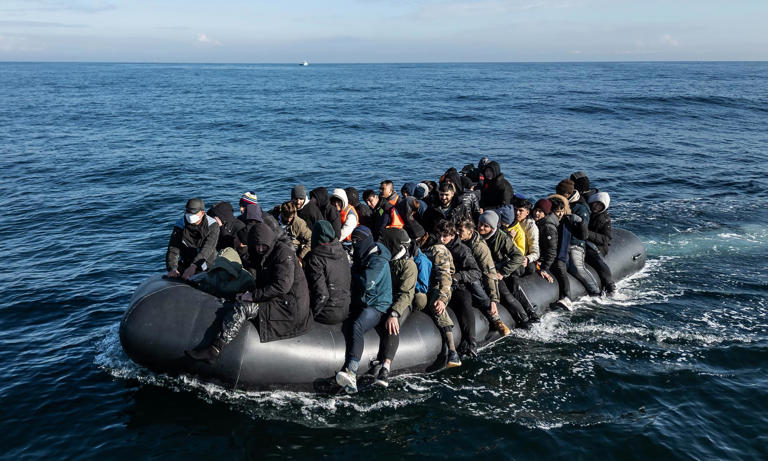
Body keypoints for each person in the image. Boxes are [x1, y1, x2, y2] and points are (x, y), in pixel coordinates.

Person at [185, 221, 313, 364]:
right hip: (280, 299)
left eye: (263, 245)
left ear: (269, 241)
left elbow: (282, 286)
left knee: (244, 307)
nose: (259, 249)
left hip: (289, 307)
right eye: (256, 245)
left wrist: (252, 296)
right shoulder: (264, 255)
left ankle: (215, 349)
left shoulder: (283, 254)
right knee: (241, 298)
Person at [335, 226, 393, 394]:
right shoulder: (364, 255)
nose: (354, 244)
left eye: (357, 242)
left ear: (366, 241)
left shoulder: (379, 261)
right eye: (353, 241)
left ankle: (352, 370)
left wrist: (352, 274)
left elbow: (367, 282)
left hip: (377, 305)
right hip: (362, 300)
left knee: (357, 326)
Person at [477, 211, 537, 325]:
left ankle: (527, 318)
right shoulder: (476, 236)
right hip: (489, 271)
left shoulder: (502, 238)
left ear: (492, 227)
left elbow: (518, 257)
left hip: (503, 269)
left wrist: (502, 272)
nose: (481, 227)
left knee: (510, 294)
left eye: (486, 226)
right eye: (480, 223)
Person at [375, 228, 418, 387]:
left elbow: (406, 294)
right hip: (385, 299)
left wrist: (394, 313)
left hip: (401, 303)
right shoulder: (386, 260)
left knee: (392, 326)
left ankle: (386, 366)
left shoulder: (409, 266)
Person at [437, 220, 485, 358]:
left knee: (465, 303)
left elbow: (476, 272)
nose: (441, 239)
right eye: (439, 235)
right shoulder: (436, 246)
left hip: (458, 286)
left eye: (445, 236)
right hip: (439, 284)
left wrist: (458, 276)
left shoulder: (462, 250)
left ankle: (471, 342)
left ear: (452, 235)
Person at [458, 219, 511, 336]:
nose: (458, 233)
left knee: (475, 285)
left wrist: (493, 299)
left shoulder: (479, 248)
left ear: (470, 232)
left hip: (477, 276)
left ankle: (496, 319)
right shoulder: (457, 241)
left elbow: (489, 272)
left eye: (461, 231)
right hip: (460, 274)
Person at [556, 179, 600, 296]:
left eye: (561, 194)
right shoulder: (559, 203)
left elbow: (583, 234)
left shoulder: (581, 208)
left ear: (568, 194)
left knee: (577, 268)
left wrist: (577, 221)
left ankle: (595, 291)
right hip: (560, 242)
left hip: (575, 243)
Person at [303, 220, 351, 325]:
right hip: (345, 310)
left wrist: (310, 315)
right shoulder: (342, 253)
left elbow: (322, 295)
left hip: (327, 313)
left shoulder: (315, 258)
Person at [548, 197, 590, 310]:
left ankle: (567, 297)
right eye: (557, 211)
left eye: (562, 211)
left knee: (560, 268)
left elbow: (583, 236)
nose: (560, 214)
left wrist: (581, 222)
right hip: (548, 256)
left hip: (561, 256)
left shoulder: (567, 221)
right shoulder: (547, 222)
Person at [166, 198, 220, 280]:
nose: (190, 215)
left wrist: (194, 266)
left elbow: (208, 248)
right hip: (186, 263)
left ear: (202, 213)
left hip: (207, 264)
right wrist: (172, 268)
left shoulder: (212, 225)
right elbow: (173, 248)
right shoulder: (180, 225)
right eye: (188, 212)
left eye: (194, 213)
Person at [586, 192, 615, 294]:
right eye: (595, 203)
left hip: (597, 246)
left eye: (600, 205)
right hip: (584, 242)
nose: (596, 207)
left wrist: (588, 234)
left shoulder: (604, 219)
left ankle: (609, 284)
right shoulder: (585, 211)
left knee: (596, 260)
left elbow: (606, 238)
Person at [532, 199, 557, 284]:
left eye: (540, 211)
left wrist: (544, 269)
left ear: (545, 213)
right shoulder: (537, 223)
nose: (536, 213)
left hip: (542, 259)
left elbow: (551, 250)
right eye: (535, 210)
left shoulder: (548, 228)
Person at [514, 199, 540, 275]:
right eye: (515, 209)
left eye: (520, 210)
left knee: (530, 268)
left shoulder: (531, 227)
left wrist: (528, 259)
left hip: (525, 255)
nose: (517, 213)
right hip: (512, 253)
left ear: (527, 212)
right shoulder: (510, 220)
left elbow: (535, 252)